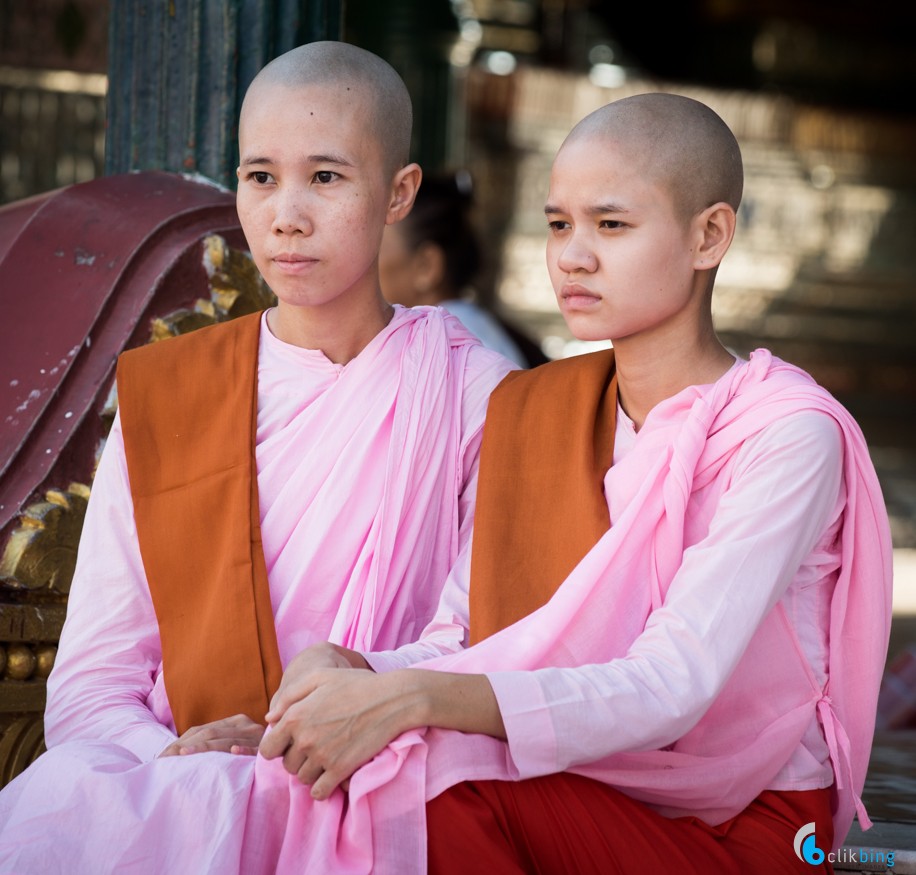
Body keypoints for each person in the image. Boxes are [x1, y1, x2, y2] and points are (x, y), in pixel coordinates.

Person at [252, 92, 893, 873]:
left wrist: (412, 699)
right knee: (356, 770)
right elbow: (466, 634)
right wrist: (344, 678)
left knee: (423, 778)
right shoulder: (541, 411)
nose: (572, 256)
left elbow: (673, 683)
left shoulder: (786, 433)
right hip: (584, 785)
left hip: (746, 822)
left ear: (709, 235)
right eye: (559, 224)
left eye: (611, 225)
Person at [0, 40, 515, 872]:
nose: (287, 215)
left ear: (398, 193)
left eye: (327, 177)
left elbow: (482, 640)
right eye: (260, 176)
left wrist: (338, 702)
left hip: (377, 776)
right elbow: (93, 678)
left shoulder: (474, 392)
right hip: (169, 785)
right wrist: (186, 756)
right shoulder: (168, 392)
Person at [378, 170, 548, 368]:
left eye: (374, 250)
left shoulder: (447, 346)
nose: (362, 264)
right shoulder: (468, 330)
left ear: (426, 266)